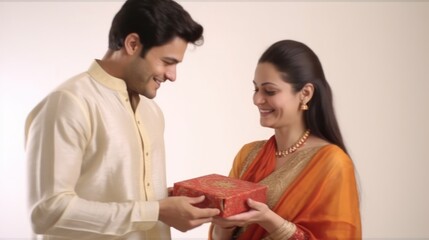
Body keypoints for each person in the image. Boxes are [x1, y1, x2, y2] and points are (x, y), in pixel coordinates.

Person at [24, 0, 220, 239]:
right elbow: (47, 213)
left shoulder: (152, 112)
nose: (172, 76)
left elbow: (127, 198)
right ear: (133, 44)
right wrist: (155, 210)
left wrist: (169, 204)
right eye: (167, 62)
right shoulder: (69, 103)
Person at [209, 40, 361, 239]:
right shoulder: (248, 155)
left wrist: (269, 220)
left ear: (305, 94)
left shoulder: (332, 163)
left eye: (269, 91)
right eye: (255, 89)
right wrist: (224, 225)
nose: (257, 100)